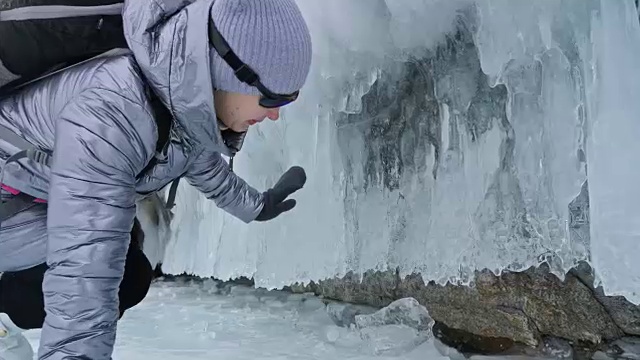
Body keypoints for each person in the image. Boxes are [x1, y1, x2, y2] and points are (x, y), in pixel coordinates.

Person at [0, 0, 313, 358]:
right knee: (116, 262)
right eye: (272, 97)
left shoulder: (182, 97)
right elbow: (86, 260)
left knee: (129, 269)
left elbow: (205, 168)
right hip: (9, 201)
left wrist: (258, 206)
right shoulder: (115, 109)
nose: (274, 114)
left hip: (29, 201)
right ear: (230, 71)